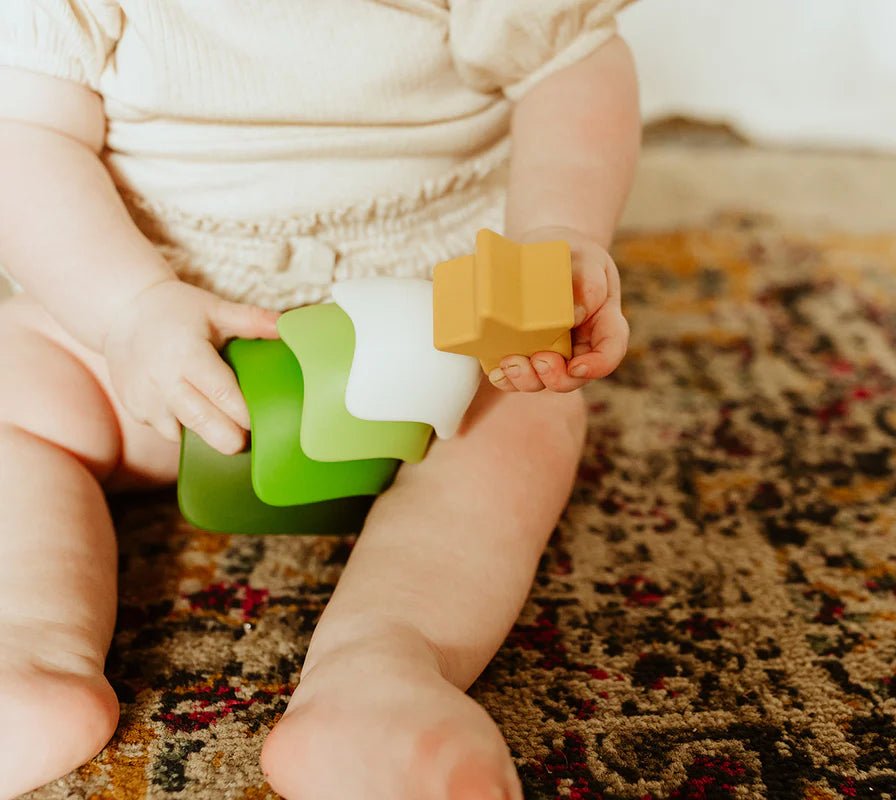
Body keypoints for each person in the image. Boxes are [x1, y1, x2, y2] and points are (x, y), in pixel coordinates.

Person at [0, 2, 639, 796]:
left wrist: (559, 233)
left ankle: (380, 674)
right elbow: (23, 135)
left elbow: (569, 64)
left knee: (531, 412)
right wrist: (127, 307)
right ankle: (24, 647)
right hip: (145, 337)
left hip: (427, 339)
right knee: (15, 385)